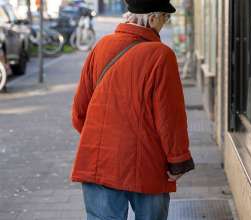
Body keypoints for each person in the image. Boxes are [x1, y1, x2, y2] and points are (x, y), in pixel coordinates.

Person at [70, 0, 195, 219]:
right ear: (153, 17)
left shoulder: (101, 46)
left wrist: (105, 140)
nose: (165, 23)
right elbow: (170, 117)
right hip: (147, 164)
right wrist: (178, 161)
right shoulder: (161, 55)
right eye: (166, 17)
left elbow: (80, 112)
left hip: (98, 162)